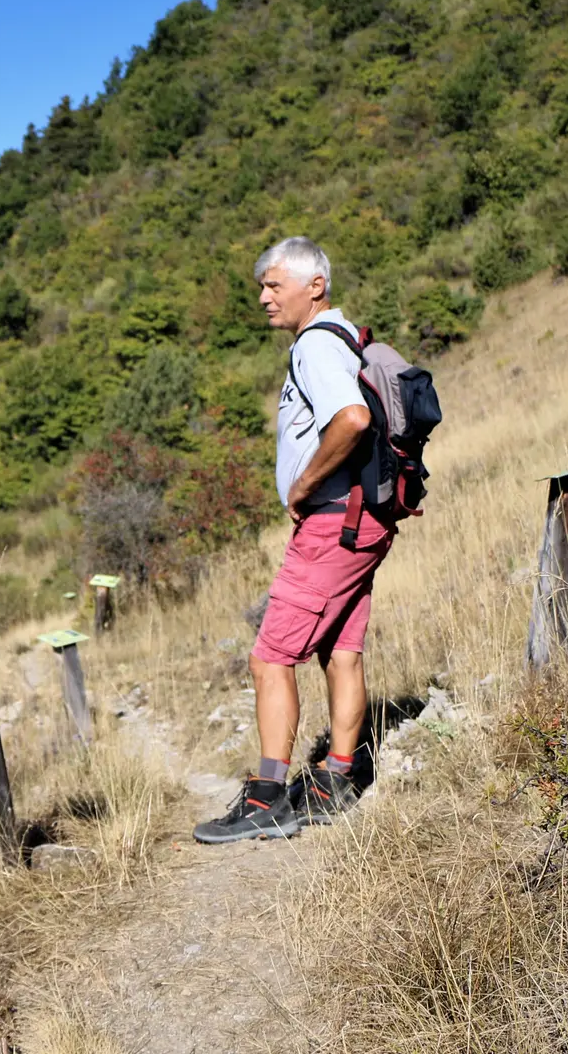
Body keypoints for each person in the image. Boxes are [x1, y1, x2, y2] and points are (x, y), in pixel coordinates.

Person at [194, 236, 394, 845]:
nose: (263, 297)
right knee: (340, 651)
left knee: (271, 657)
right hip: (363, 521)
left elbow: (353, 419)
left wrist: (303, 485)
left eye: (273, 285)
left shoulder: (314, 346)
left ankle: (267, 798)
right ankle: (335, 781)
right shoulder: (343, 339)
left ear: (314, 285)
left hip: (333, 523)